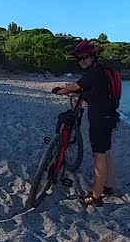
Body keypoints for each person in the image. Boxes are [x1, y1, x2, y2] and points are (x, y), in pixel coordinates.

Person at [51, 40, 119, 207]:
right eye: (79, 59)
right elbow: (91, 89)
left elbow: (74, 87)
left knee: (99, 156)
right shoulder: (102, 70)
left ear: (93, 57)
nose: (81, 61)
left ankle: (96, 197)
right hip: (110, 117)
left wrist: (59, 90)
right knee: (106, 151)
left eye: (85, 57)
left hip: (100, 119)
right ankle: (108, 186)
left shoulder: (93, 73)